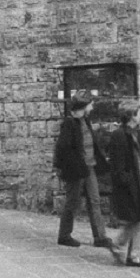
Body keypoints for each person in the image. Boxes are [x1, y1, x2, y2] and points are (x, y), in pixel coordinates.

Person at [53, 93, 117, 250]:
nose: (92, 107)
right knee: (72, 202)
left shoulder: (85, 121)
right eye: (90, 104)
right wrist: (73, 165)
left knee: (95, 200)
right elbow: (64, 147)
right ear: (83, 106)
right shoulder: (69, 123)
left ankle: (100, 237)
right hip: (77, 169)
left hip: (89, 166)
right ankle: (64, 235)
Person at [107, 104, 140, 268]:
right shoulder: (120, 135)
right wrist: (127, 181)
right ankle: (124, 248)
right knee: (137, 219)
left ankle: (129, 252)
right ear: (132, 115)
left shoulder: (137, 133)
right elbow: (118, 164)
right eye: (139, 112)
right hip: (132, 185)